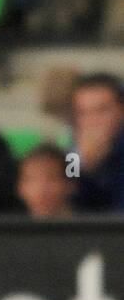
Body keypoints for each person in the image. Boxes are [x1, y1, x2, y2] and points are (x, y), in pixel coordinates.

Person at [69, 73, 124, 212]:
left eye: (101, 110)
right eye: (83, 113)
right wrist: (84, 167)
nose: (92, 120)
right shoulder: (74, 152)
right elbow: (68, 194)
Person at [18, 144, 74, 218]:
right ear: (20, 187)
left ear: (69, 184)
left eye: (51, 178)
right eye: (32, 179)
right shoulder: (10, 227)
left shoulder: (87, 225)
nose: (41, 189)